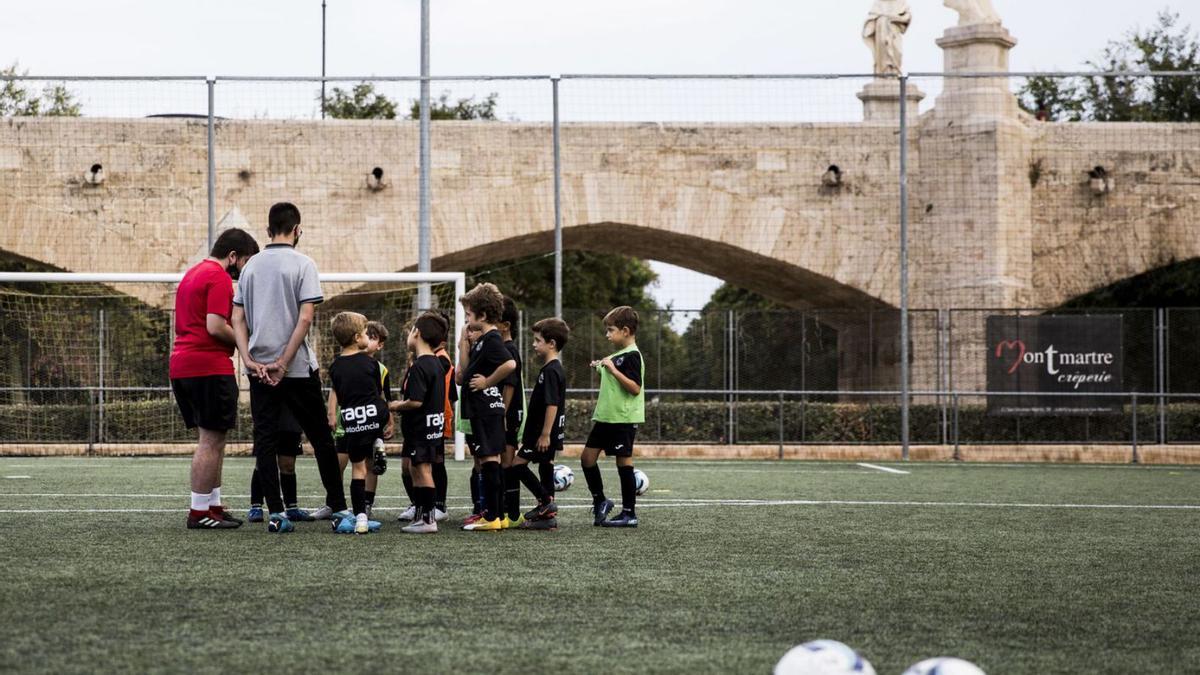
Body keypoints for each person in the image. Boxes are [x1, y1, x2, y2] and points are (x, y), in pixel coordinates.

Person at [231, 202, 348, 533]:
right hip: (294, 368)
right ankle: (339, 510)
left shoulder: (250, 267)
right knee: (321, 438)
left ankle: (277, 513)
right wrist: (284, 361)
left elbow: (237, 317)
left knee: (265, 440)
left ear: (268, 231)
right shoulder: (304, 264)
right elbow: (306, 317)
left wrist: (249, 359)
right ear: (298, 230)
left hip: (259, 370)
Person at [171, 227, 259, 530]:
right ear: (233, 256)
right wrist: (244, 344)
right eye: (245, 263)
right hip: (207, 366)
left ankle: (213, 505)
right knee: (210, 441)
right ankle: (199, 512)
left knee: (214, 439)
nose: (243, 272)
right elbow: (214, 325)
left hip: (184, 365)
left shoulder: (193, 273)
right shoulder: (218, 277)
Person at [456, 283, 517, 531]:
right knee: (487, 458)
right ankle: (496, 515)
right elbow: (464, 372)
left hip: (486, 408)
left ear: (482, 315)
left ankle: (492, 516)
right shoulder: (483, 340)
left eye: (469, 315)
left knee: (490, 459)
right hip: (481, 409)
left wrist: (487, 382)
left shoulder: (492, 339)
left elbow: (510, 364)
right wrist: (463, 342)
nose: (467, 320)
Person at [326, 312, 389, 535]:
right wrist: (386, 418)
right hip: (373, 416)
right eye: (364, 333)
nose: (366, 337)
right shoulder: (371, 364)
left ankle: (360, 518)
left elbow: (341, 396)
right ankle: (378, 440)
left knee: (358, 468)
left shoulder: (335, 368)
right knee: (371, 455)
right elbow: (377, 394)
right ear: (356, 337)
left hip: (352, 420)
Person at [582, 306, 644, 528]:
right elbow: (610, 371)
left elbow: (635, 388)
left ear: (625, 331)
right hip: (605, 418)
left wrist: (613, 370)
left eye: (610, 330)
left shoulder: (632, 355)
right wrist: (599, 366)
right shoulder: (617, 356)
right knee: (587, 459)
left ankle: (629, 513)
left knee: (623, 462)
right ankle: (600, 501)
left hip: (623, 420)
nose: (607, 335)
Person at [390, 312, 449, 534]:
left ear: (417, 333)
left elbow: (415, 401)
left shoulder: (420, 366)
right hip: (432, 427)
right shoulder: (435, 363)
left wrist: (395, 406)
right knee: (417, 469)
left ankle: (428, 520)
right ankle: (421, 514)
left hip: (421, 429)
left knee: (423, 470)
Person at [514, 317, 569, 531]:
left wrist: (545, 434)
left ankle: (546, 502)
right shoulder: (551, 368)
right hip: (544, 433)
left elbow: (552, 404)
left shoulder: (551, 371)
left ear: (552, 343)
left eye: (538, 340)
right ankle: (548, 517)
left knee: (516, 465)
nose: (534, 345)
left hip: (541, 434)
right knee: (546, 467)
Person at [246, 408, 314, 523]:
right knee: (262, 462)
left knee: (288, 465)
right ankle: (256, 506)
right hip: (266, 415)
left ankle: (291, 507)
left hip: (290, 417)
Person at [499, 297, 527, 527]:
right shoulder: (502, 348)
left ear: (505, 325)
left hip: (509, 414)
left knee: (507, 461)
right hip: (504, 413)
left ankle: (513, 512)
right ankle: (506, 508)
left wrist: (502, 413)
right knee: (503, 462)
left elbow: (510, 385)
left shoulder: (509, 350)